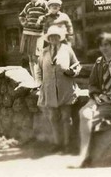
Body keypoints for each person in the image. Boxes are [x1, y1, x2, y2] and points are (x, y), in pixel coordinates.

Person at [75, 32, 111, 167]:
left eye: (106, 45)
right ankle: (84, 154)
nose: (103, 49)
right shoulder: (99, 62)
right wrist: (97, 96)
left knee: (93, 120)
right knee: (84, 114)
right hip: (100, 98)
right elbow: (92, 84)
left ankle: (88, 157)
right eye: (101, 46)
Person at [35, 25, 81, 153]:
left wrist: (73, 72)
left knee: (66, 117)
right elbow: (38, 69)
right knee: (53, 117)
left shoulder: (67, 50)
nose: (53, 38)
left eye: (56, 36)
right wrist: (39, 83)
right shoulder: (44, 52)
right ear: (48, 39)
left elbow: (77, 66)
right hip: (49, 90)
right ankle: (57, 143)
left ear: (60, 38)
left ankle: (67, 145)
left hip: (65, 89)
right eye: (51, 37)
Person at [19, 0, 48, 80]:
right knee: (30, 57)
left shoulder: (43, 3)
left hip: (38, 33)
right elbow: (21, 16)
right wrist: (24, 23)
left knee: (37, 56)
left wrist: (41, 19)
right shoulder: (28, 6)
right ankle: (35, 80)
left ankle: (40, 79)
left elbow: (49, 14)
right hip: (27, 33)